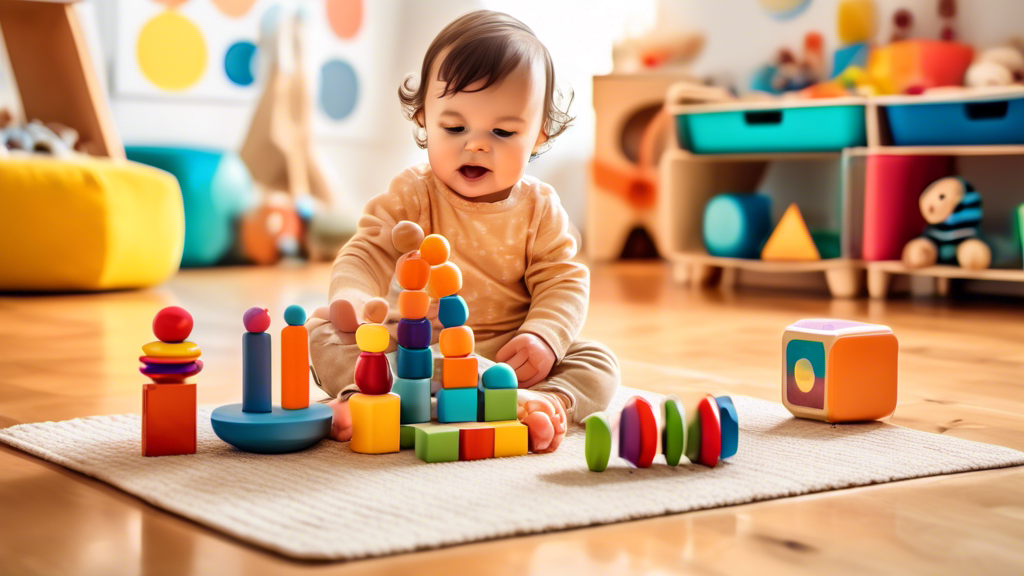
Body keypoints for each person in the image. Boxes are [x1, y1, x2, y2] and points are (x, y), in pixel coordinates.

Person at [307, 10, 619, 453]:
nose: (476, 143)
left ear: (538, 137)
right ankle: (368, 394)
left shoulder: (540, 208)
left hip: (505, 357)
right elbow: (368, 251)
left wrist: (543, 337)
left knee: (598, 361)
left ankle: (544, 403)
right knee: (321, 335)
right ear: (422, 119)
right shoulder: (414, 193)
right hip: (414, 353)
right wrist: (355, 299)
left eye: (503, 131)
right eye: (454, 127)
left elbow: (563, 280)